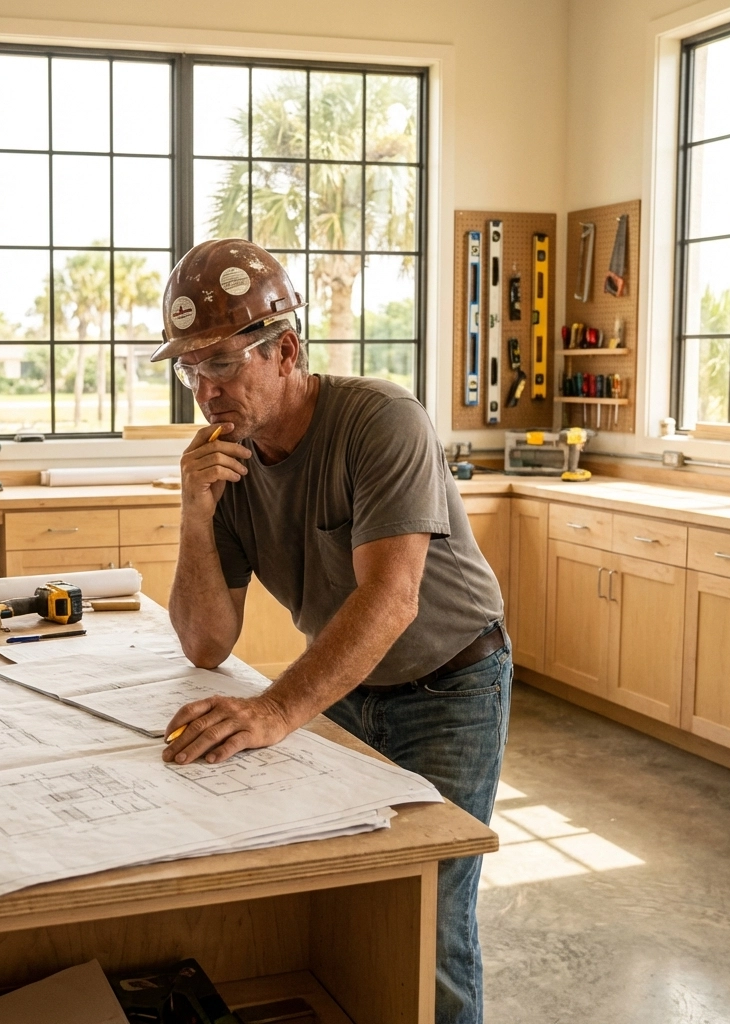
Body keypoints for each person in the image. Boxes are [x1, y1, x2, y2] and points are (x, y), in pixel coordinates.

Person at [152, 238, 510, 1024]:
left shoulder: (381, 421)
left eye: (220, 365)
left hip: (449, 683)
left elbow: (392, 600)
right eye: (190, 370)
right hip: (348, 681)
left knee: (429, 908)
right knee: (343, 895)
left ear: (285, 350)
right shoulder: (231, 465)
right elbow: (206, 644)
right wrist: (193, 515)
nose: (205, 393)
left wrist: (275, 711)